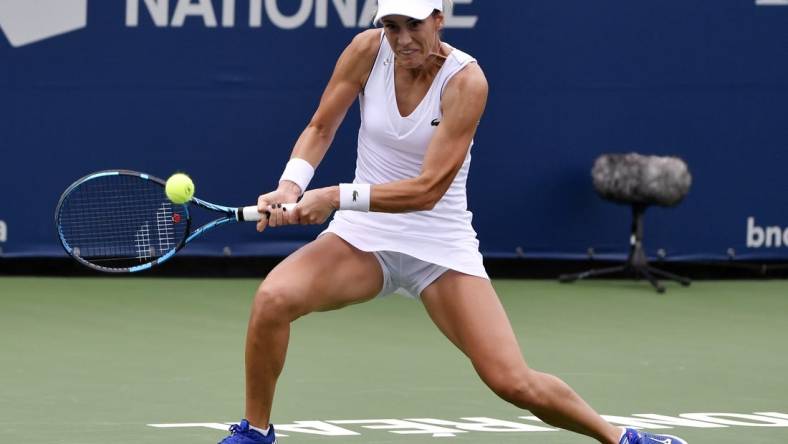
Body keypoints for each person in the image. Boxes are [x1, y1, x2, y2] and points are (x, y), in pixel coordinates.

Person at [219, 1, 688, 443]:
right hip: (365, 238)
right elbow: (321, 127)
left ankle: (621, 438)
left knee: (512, 382)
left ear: (439, 19)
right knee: (273, 299)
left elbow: (427, 191)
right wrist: (290, 186)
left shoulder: (467, 81)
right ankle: (255, 433)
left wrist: (335, 196)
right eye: (391, 26)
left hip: (438, 244)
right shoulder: (366, 50)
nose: (401, 39)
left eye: (413, 26)